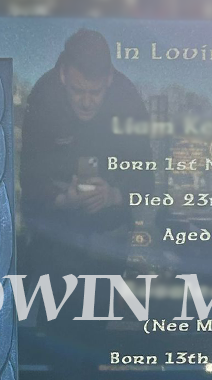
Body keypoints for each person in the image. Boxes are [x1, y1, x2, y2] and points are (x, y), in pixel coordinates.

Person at [20, 28, 153, 279]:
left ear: (109, 79)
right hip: (55, 232)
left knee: (99, 308)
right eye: (77, 91)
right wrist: (61, 199)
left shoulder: (128, 99)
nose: (86, 102)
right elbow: (29, 176)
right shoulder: (43, 96)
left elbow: (145, 177)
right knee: (53, 309)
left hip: (110, 231)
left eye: (95, 92)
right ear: (62, 75)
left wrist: (114, 195)